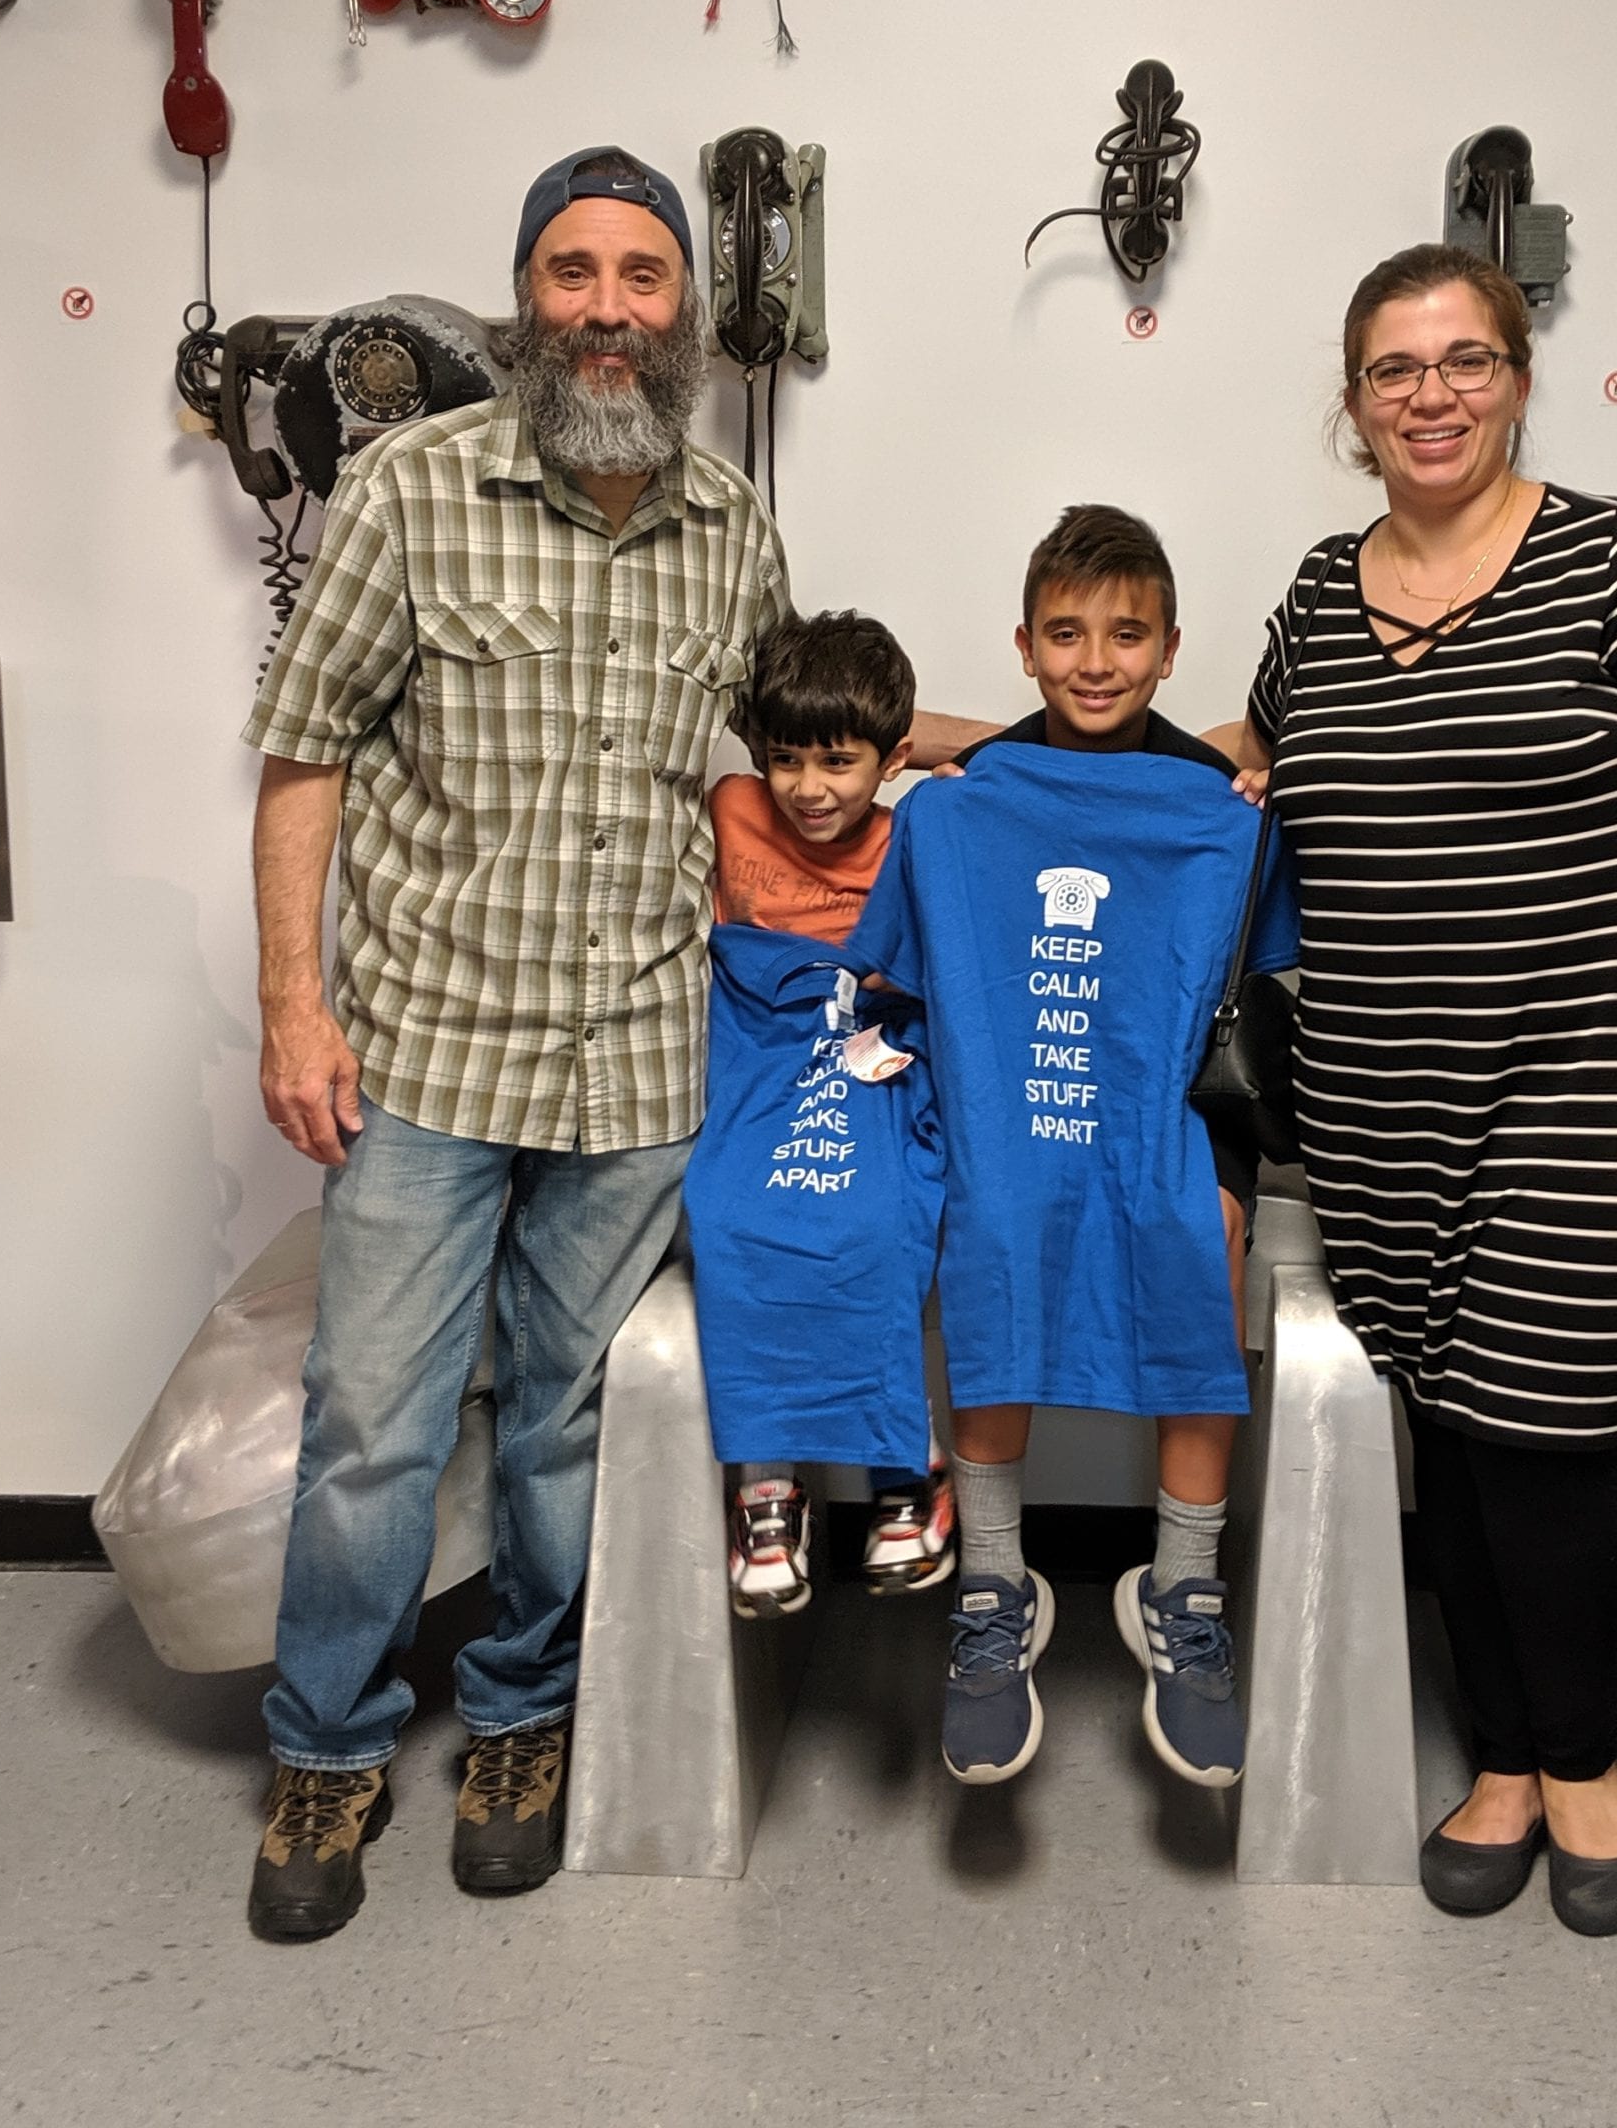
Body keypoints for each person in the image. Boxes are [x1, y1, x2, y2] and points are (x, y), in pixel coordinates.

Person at [236, 146, 794, 1943]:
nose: (610, 308)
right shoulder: (408, 490)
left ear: (686, 309)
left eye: (644, 275)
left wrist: (1065, 737)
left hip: (637, 1063)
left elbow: (789, 756)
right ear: (524, 294)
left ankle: (520, 1725)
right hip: (428, 1051)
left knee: (565, 1421)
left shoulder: (734, 525)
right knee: (374, 1429)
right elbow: (303, 754)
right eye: (576, 271)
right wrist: (294, 1008)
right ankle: (324, 1745)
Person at [1232, 243, 1617, 1936]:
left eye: (1465, 360)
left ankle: (1586, 1767)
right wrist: (960, 748)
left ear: (1520, 378)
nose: (1432, 393)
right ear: (1353, 400)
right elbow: (1237, 794)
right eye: (1396, 368)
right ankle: (1508, 1759)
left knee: (1551, 1430)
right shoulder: (1318, 591)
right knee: (1450, 1429)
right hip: (1378, 1098)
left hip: (1589, 1080)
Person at [854, 505, 1286, 1792]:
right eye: (1066, 634)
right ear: (1027, 649)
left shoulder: (1214, 807)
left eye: (1126, 635)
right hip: (1018, 1106)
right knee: (991, 1230)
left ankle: (1187, 1590)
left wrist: (1251, 812)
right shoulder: (964, 806)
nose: (1096, 660)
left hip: (1170, 1112)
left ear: (1167, 652)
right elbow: (899, 972)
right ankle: (994, 1584)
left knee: (1195, 1241)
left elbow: (1256, 982)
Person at [699, 608, 957, 1614]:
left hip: (877, 1044)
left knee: (884, 1214)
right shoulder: (724, 804)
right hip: (764, 1041)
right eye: (786, 759)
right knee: (728, 1212)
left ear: (891, 758)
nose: (808, 788)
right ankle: (767, 1486)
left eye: (837, 762)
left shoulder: (920, 831)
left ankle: (908, 1472)